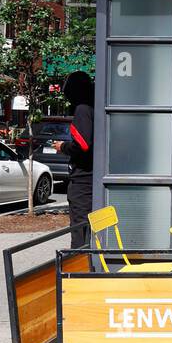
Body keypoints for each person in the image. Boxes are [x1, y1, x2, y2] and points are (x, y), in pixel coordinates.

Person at [54, 72, 94, 248]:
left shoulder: (82, 109)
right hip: (92, 177)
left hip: (83, 180)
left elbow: (83, 144)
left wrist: (62, 147)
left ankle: (79, 268)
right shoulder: (95, 106)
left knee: (79, 227)